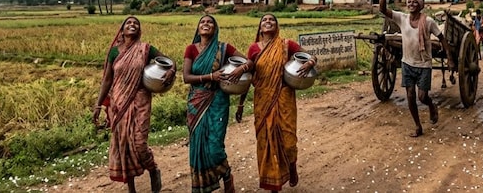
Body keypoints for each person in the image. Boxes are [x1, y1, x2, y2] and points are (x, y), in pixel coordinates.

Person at [93, 16, 177, 193]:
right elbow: (107, 80)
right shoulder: (114, 52)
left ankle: (153, 169)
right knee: (123, 145)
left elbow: (170, 62)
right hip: (118, 103)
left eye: (136, 23)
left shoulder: (145, 49)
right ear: (122, 30)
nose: (132, 25)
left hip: (140, 100)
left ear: (139, 30)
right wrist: (98, 105)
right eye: (128, 23)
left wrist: (172, 71)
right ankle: (131, 189)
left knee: (139, 144)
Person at [236, 13, 317, 192]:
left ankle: (292, 165)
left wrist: (310, 63)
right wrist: (240, 105)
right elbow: (248, 76)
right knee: (266, 142)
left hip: (284, 98)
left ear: (277, 25)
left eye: (272, 19)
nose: (268, 21)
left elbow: (310, 56)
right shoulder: (254, 49)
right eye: (264, 20)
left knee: (288, 141)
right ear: (260, 27)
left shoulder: (287, 45)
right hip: (262, 100)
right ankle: (273, 185)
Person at [182, 15, 251, 193]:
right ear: (198, 29)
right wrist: (211, 76)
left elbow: (249, 62)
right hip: (196, 101)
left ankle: (226, 174)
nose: (206, 24)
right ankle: (203, 186)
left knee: (214, 146)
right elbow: (186, 77)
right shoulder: (191, 49)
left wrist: (241, 68)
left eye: (210, 22)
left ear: (215, 28)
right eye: (202, 22)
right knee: (198, 145)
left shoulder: (224, 48)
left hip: (218, 101)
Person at [379, 0, 454, 138]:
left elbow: (442, 38)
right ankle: (418, 126)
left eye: (415, 2)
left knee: (422, 97)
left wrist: (449, 57)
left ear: (420, 6)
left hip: (424, 64)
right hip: (407, 63)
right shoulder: (402, 18)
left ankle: (431, 105)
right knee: (411, 96)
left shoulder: (428, 22)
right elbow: (383, 10)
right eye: (410, 1)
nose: (412, 4)